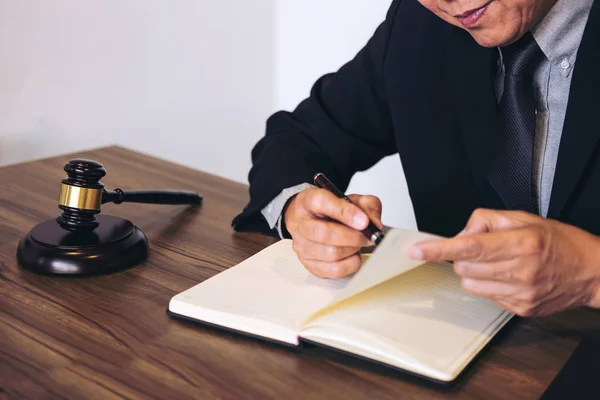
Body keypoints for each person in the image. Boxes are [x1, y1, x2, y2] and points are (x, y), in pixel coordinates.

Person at [232, 0, 600, 318]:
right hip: (457, 356)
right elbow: (299, 137)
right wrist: (302, 211)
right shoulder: (418, 25)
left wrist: (591, 274)